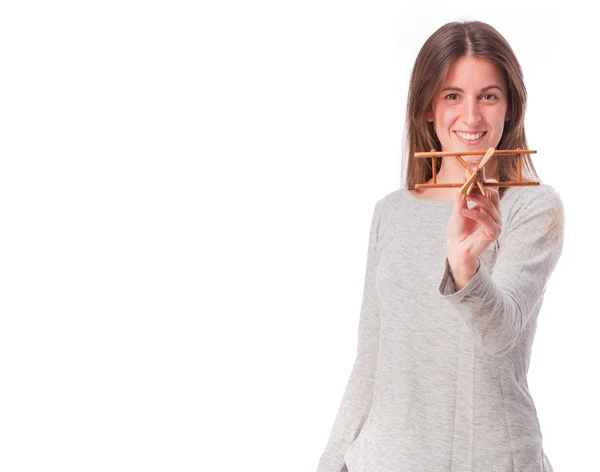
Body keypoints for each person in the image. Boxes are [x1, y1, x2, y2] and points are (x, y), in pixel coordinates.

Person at [316, 20, 564, 472]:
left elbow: (501, 335)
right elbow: (370, 363)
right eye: (453, 95)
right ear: (428, 107)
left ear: (509, 107)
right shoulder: (390, 212)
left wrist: (465, 266)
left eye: (488, 96)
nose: (471, 117)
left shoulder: (532, 206)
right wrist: (331, 462)